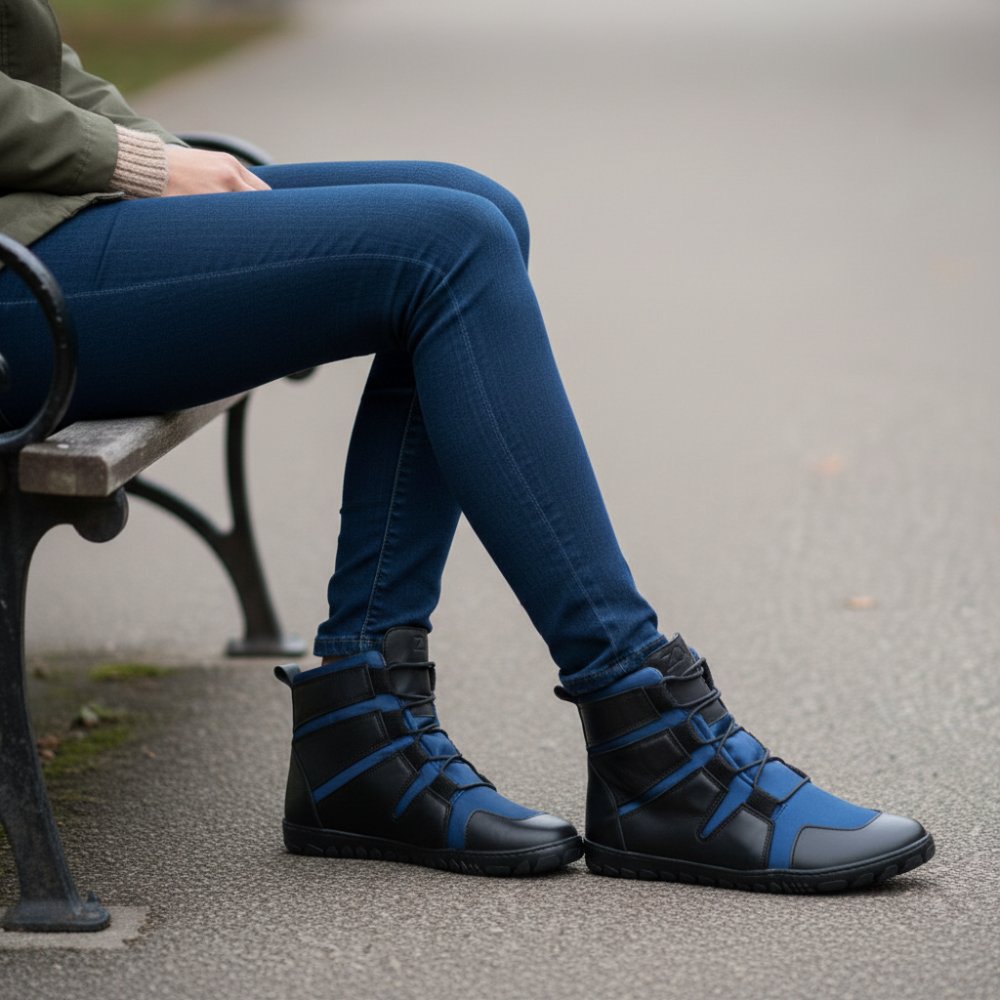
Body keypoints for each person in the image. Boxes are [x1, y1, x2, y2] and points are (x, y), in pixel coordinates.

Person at [0, 0, 933, 891]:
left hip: (41, 219)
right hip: (19, 269)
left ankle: (364, 731)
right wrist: (130, 161)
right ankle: (653, 742)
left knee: (479, 207)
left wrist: (157, 154)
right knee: (445, 249)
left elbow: (31, 61)